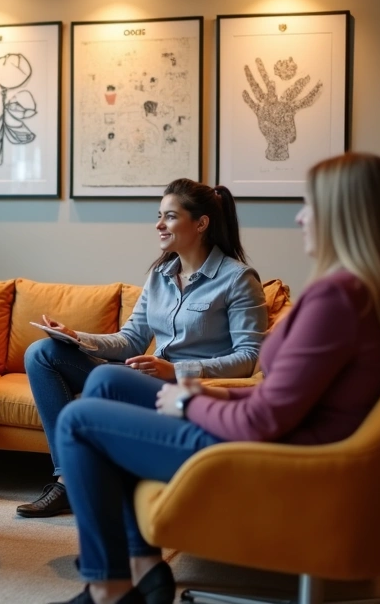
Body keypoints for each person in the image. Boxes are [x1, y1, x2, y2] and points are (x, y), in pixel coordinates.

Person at [51, 153, 380, 604]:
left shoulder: (337, 300)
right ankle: (143, 568)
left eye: (309, 206)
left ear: (342, 216)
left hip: (274, 460)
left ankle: (108, 589)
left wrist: (188, 401)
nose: (299, 218)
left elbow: (265, 412)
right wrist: (206, 394)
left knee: (79, 420)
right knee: (106, 385)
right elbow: (290, 398)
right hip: (295, 442)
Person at [17, 179, 267, 518]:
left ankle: (78, 482)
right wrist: (77, 337)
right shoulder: (160, 275)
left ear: (201, 223)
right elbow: (130, 340)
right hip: (144, 377)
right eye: (159, 216)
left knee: (108, 379)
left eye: (170, 217)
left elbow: (249, 359)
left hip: (185, 390)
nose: (158, 225)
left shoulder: (238, 279)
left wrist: (177, 371)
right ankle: (67, 475)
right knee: (41, 353)